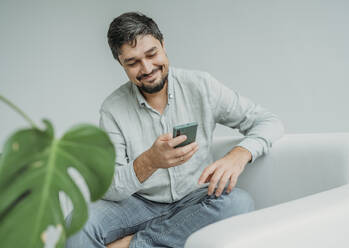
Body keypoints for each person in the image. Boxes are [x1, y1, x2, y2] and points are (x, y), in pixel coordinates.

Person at [65, 11, 284, 248]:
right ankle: (162, 238)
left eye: (152, 54)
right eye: (133, 62)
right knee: (77, 224)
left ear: (163, 45)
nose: (147, 68)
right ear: (120, 63)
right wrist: (149, 161)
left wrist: (238, 155)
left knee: (238, 203)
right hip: (138, 204)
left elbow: (269, 121)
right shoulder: (112, 110)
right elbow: (108, 186)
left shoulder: (202, 86)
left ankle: (134, 244)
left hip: (196, 199)